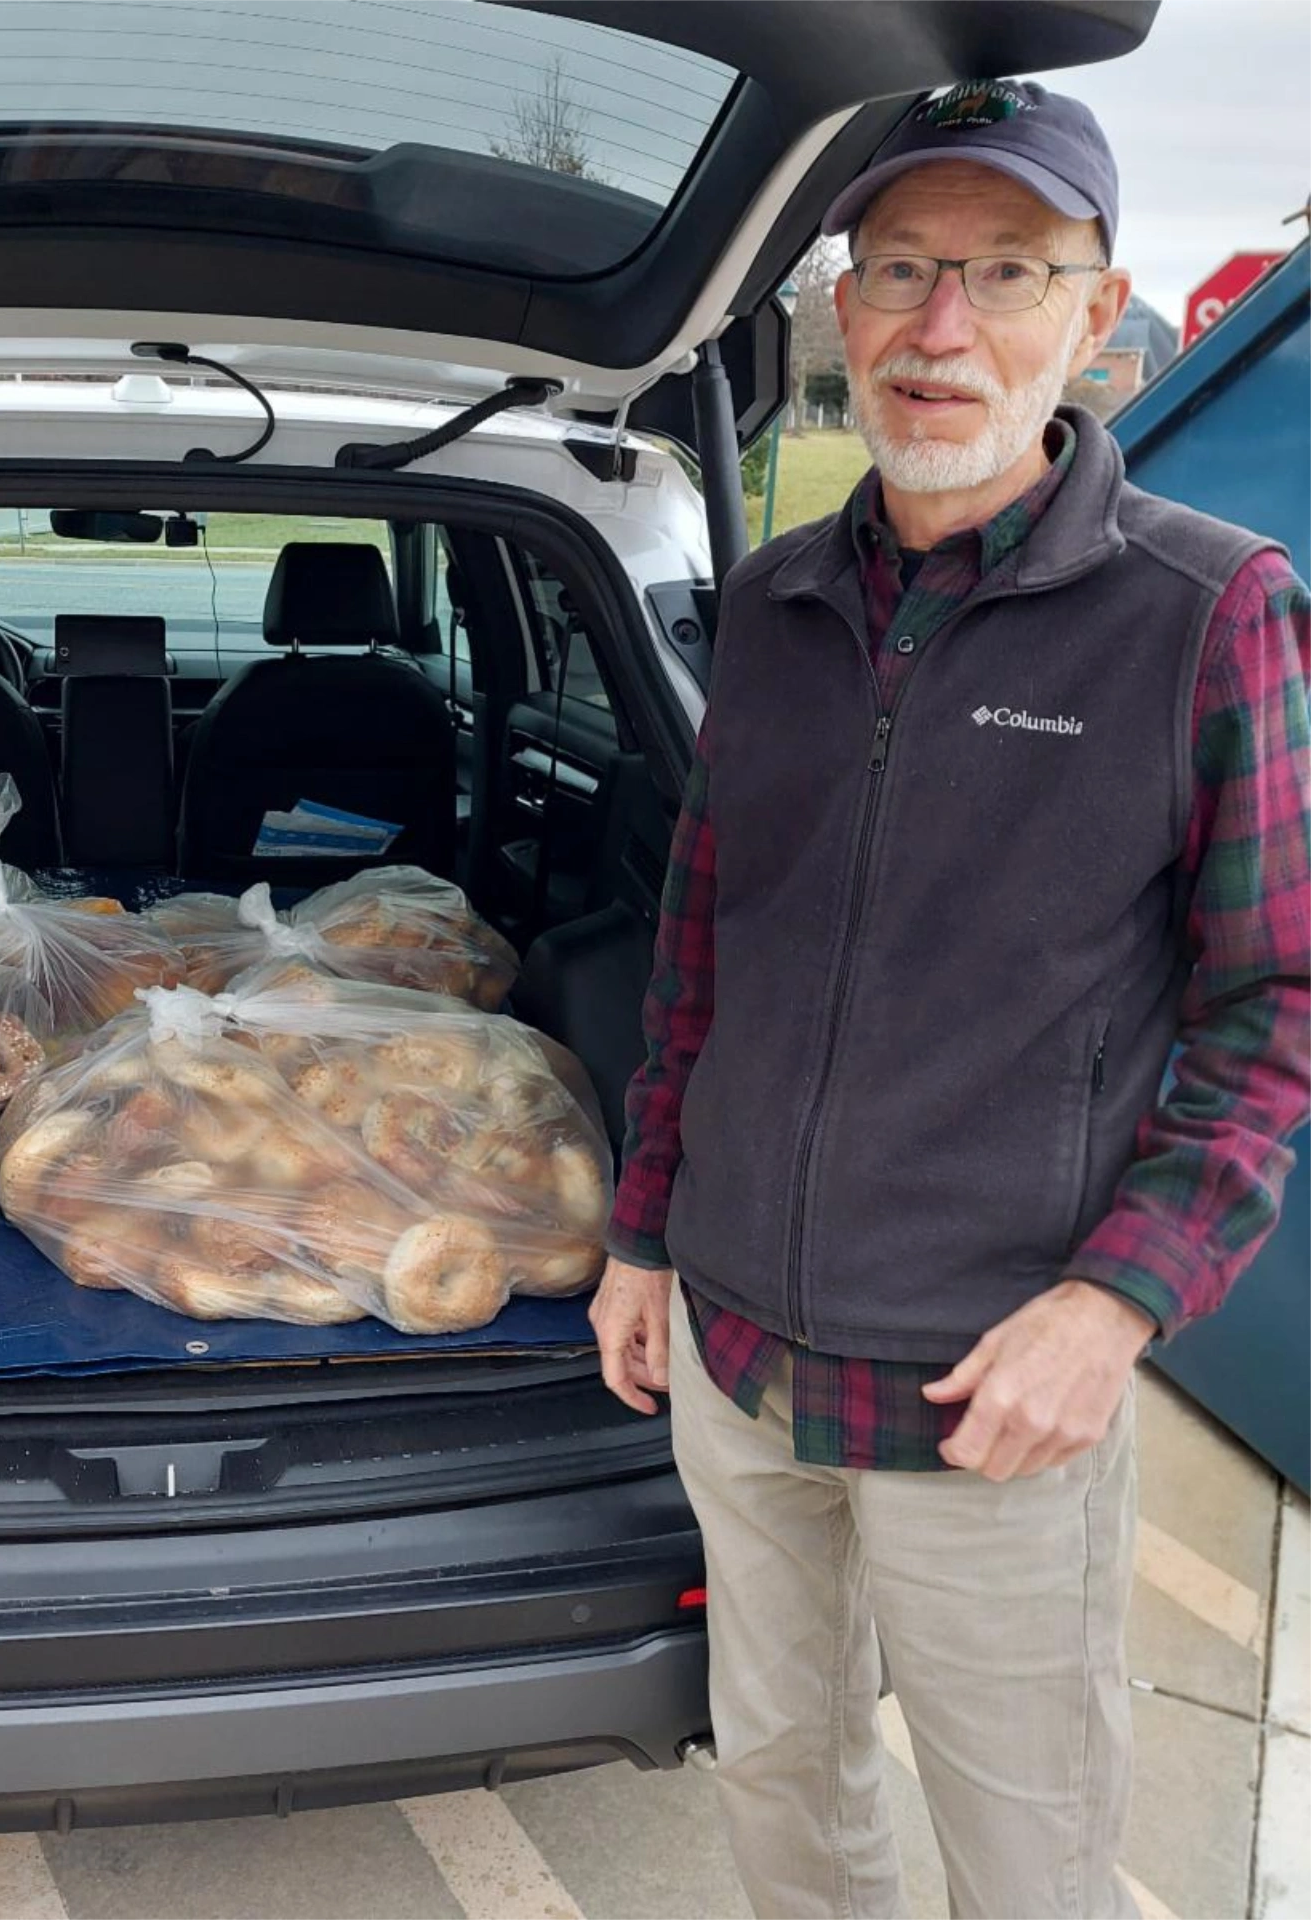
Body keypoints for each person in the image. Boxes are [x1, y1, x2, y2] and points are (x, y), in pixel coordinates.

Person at [592, 79, 1311, 1920]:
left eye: (1004, 272)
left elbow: (1277, 1003)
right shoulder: (770, 606)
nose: (940, 327)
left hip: (987, 1395)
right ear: (841, 305)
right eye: (902, 267)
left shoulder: (1208, 612)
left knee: (1028, 1844)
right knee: (781, 1788)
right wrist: (648, 1230)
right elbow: (701, 952)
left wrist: (1118, 1303)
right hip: (738, 1369)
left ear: (1096, 309)